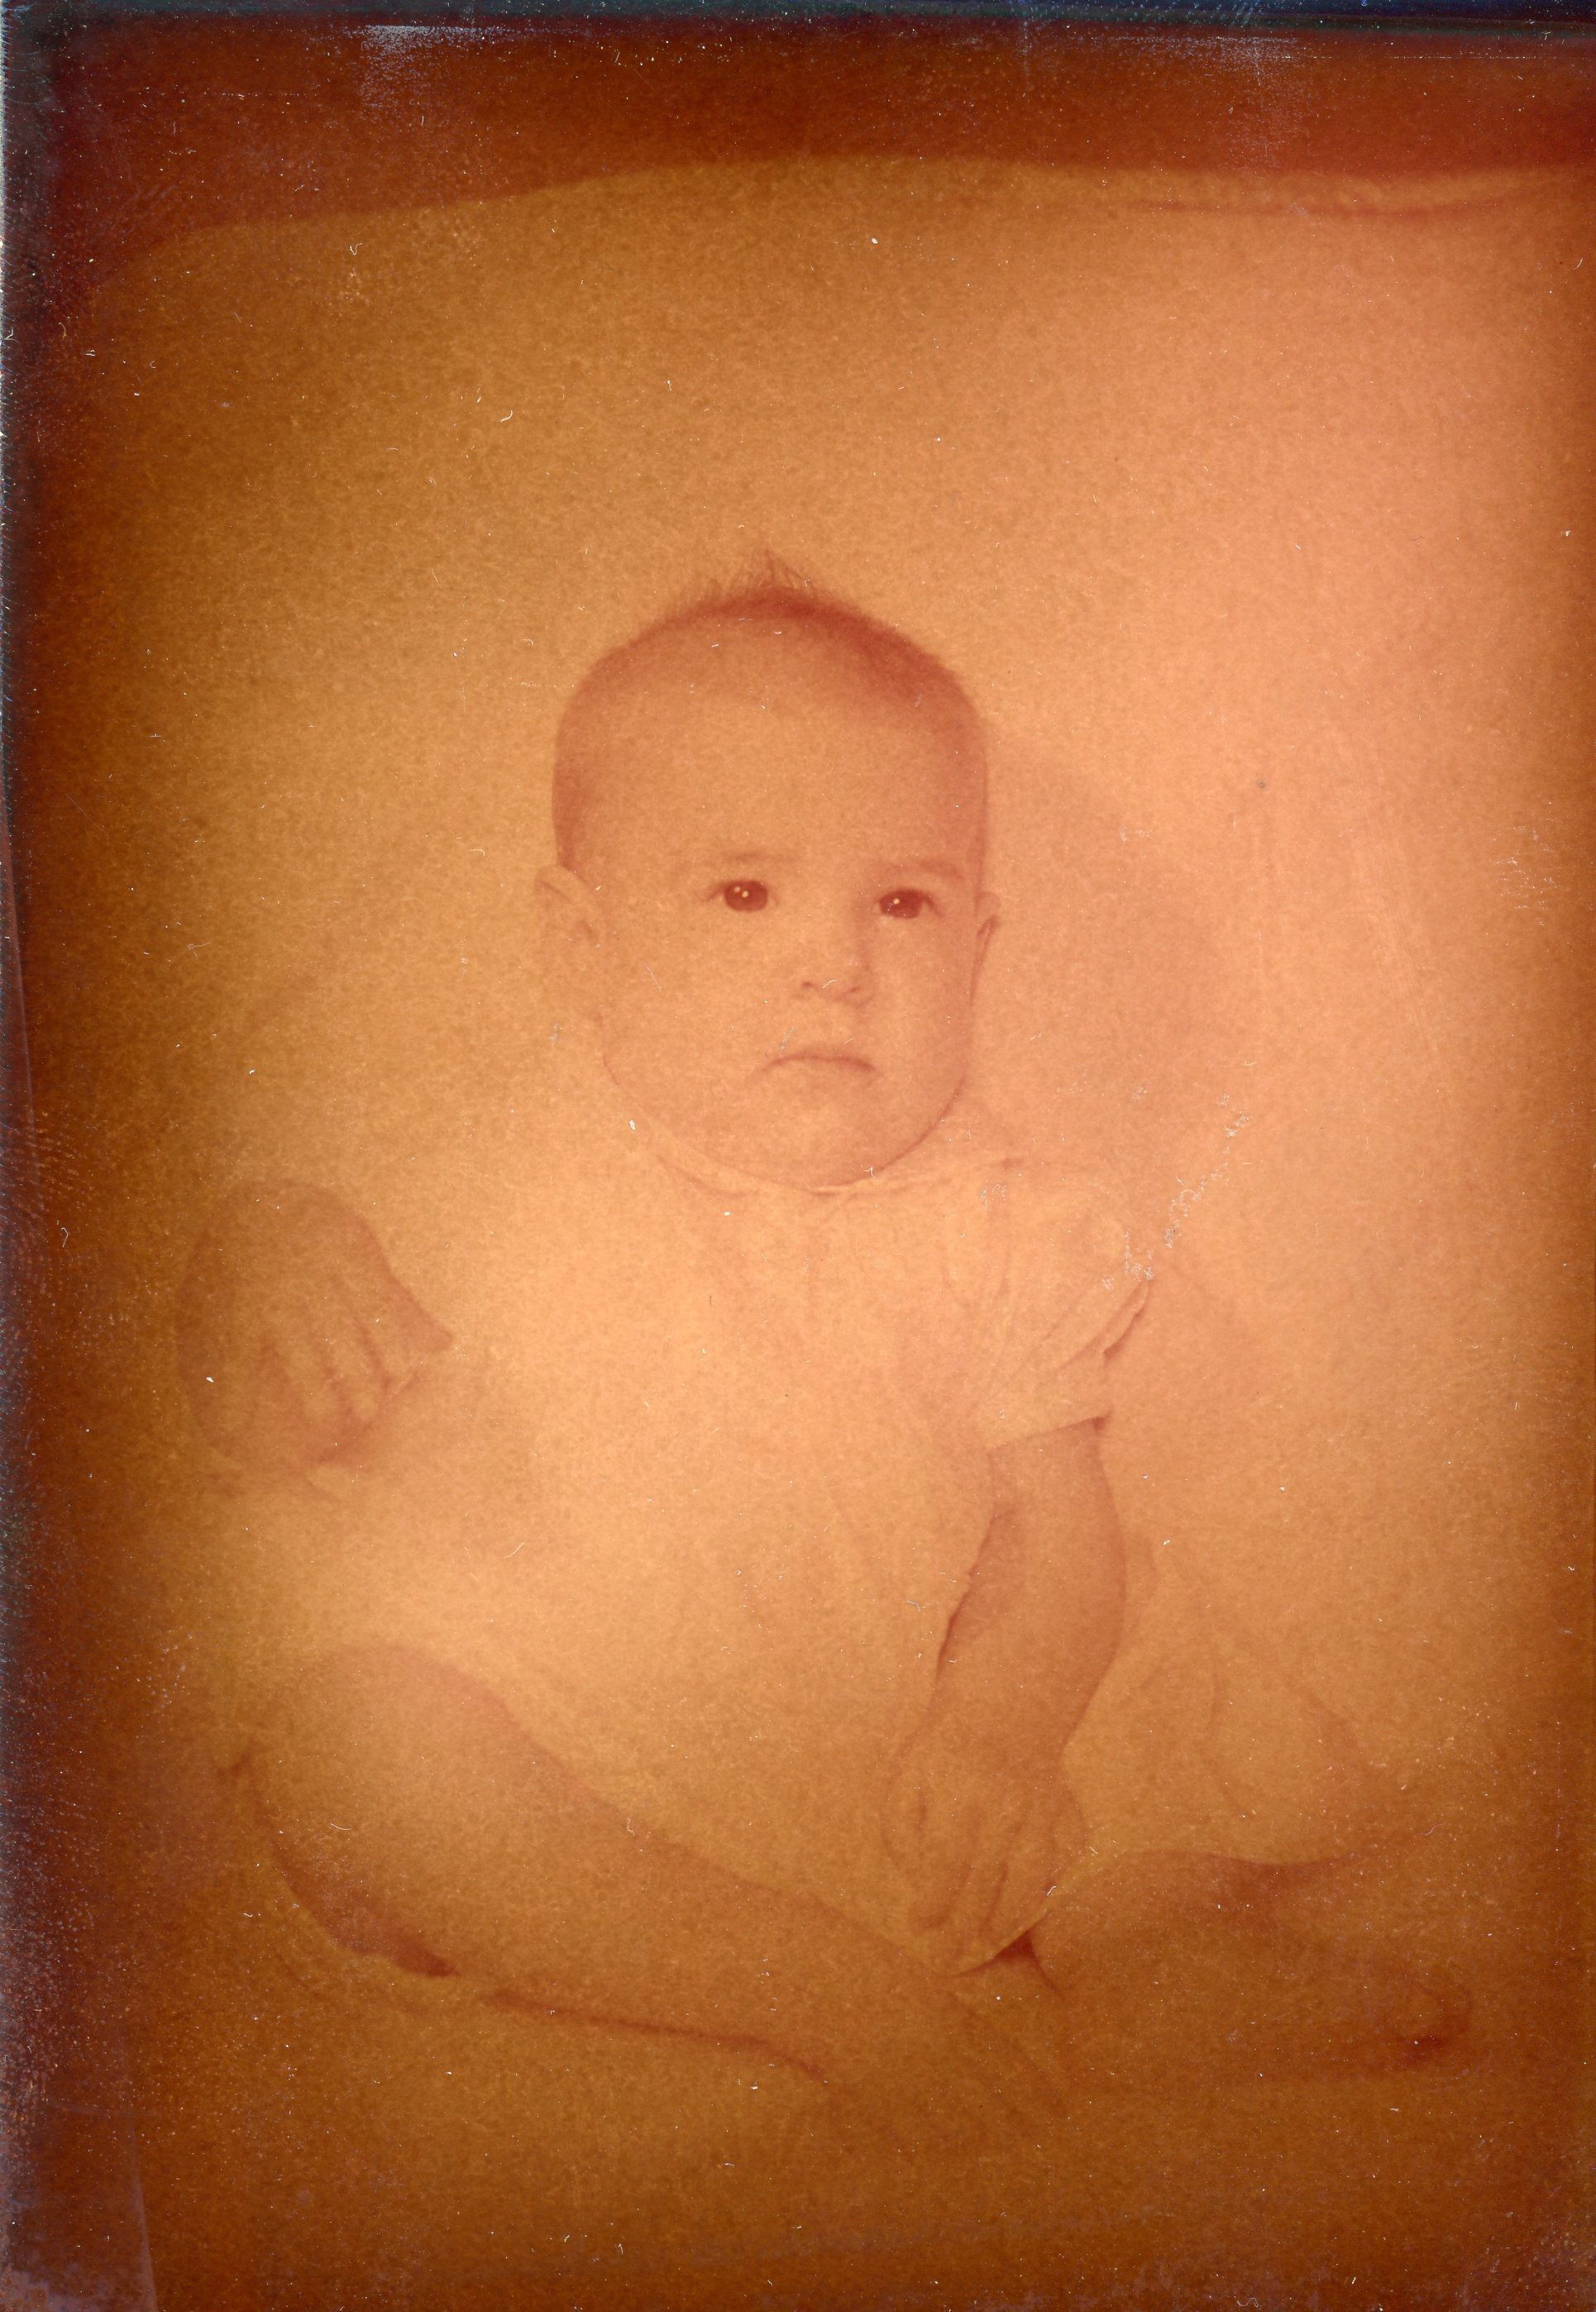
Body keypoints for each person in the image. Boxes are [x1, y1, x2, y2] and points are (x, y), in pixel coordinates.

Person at [174, 575, 1462, 2154]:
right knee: (361, 1742)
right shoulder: (491, 1165)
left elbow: (1055, 1534)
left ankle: (1152, 1952)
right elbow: (265, 1382)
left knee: (1124, 1652)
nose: (834, 967)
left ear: (980, 944)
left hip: (922, 1706)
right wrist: (277, 1259)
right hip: (597, 1717)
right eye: (743, 894)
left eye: (901, 905)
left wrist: (995, 1731)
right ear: (580, 944)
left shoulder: (1005, 1224)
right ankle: (795, 1983)